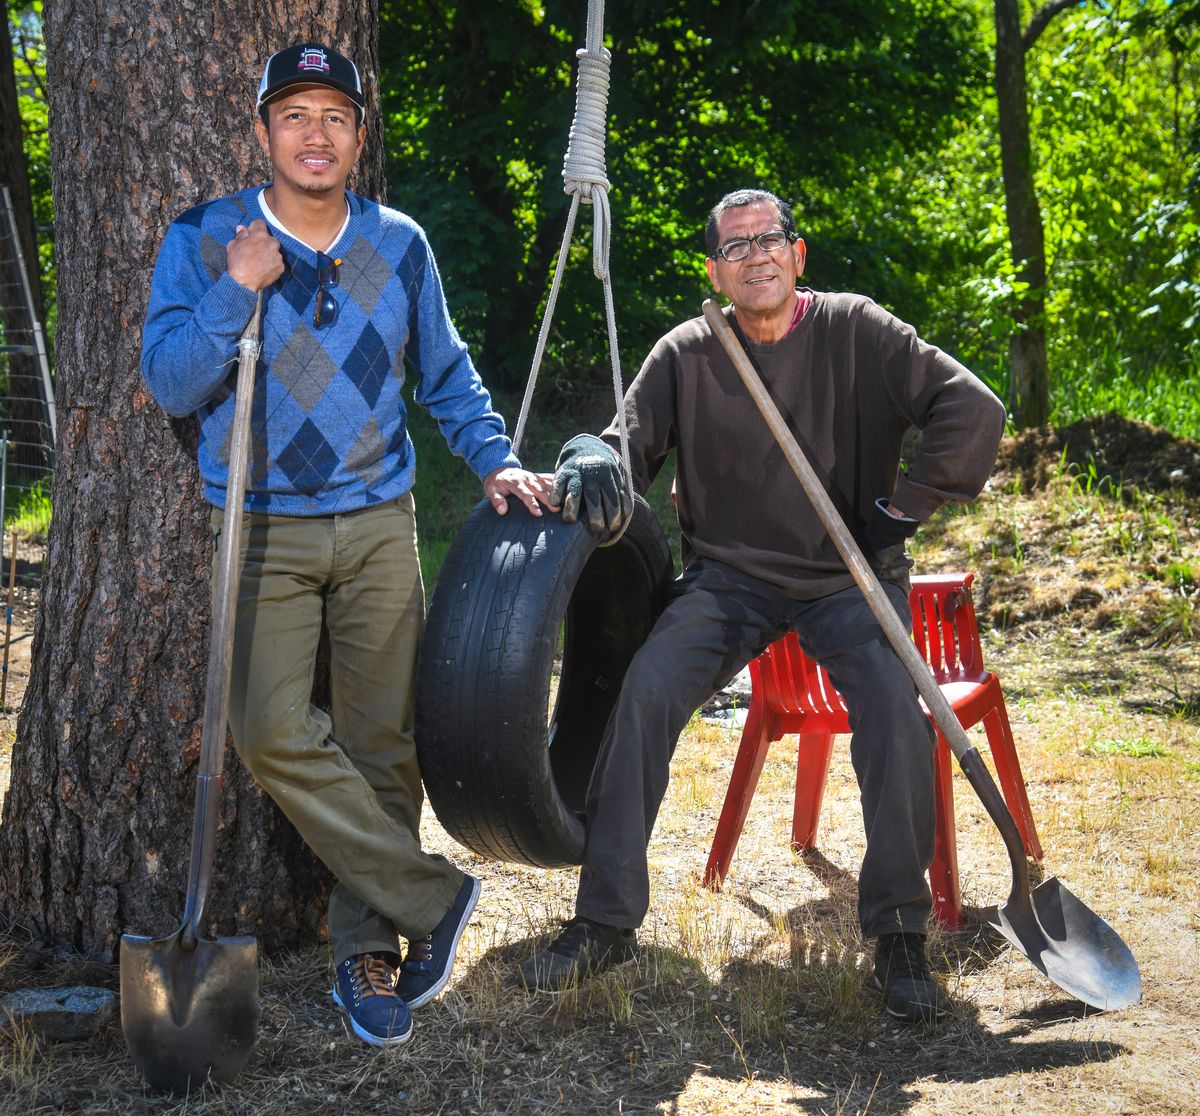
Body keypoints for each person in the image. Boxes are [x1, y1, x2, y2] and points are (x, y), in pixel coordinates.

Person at [141, 43, 554, 1048]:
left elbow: (446, 373)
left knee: (381, 748)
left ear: (360, 137)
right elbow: (171, 381)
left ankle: (367, 953)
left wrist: (493, 459)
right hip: (262, 524)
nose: (315, 133)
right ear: (262, 132)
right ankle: (434, 898)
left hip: (377, 521)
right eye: (294, 114)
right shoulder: (206, 237)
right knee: (268, 729)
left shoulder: (400, 242)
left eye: (335, 115)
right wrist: (236, 287)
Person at [520, 188, 1006, 1024]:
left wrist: (902, 510)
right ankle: (604, 921)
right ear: (715, 271)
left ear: (797, 254)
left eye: (769, 239)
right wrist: (584, 456)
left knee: (895, 706)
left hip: (847, 577)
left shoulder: (857, 329)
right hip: (729, 581)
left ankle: (898, 936)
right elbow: (619, 451)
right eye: (735, 247)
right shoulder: (689, 351)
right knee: (646, 689)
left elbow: (974, 408)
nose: (755, 256)